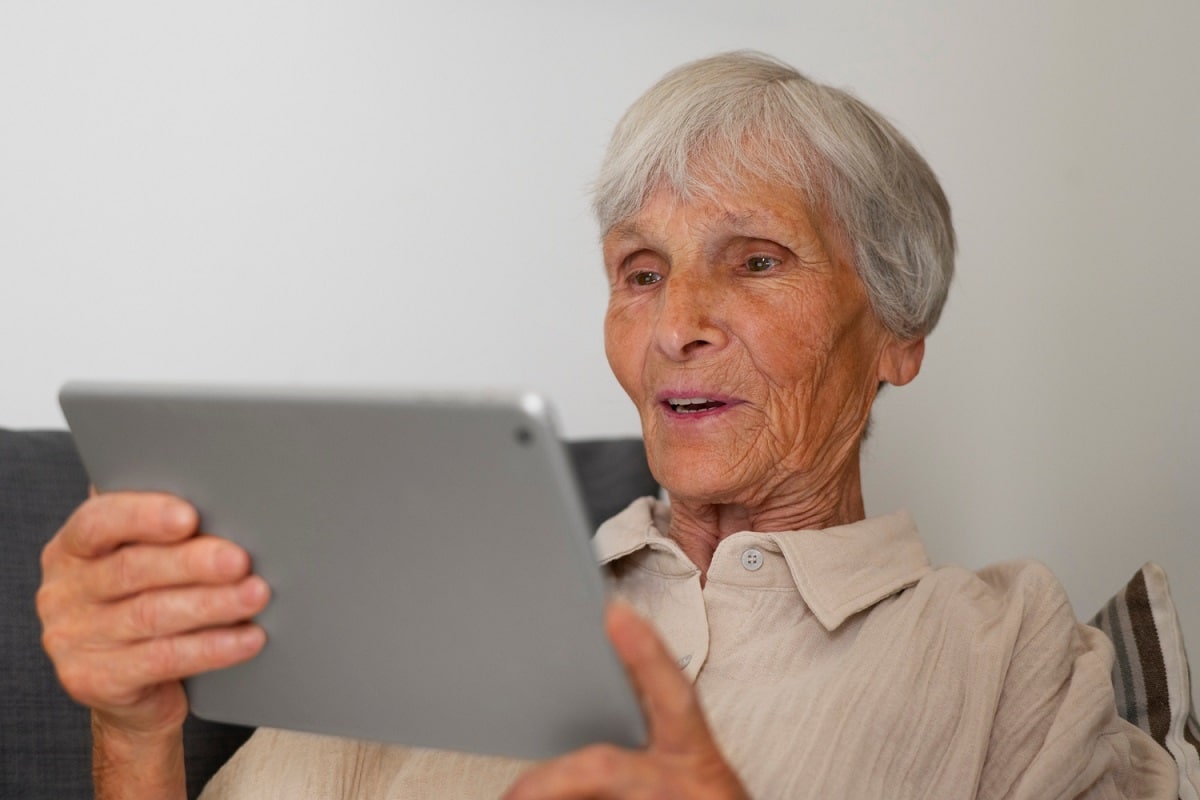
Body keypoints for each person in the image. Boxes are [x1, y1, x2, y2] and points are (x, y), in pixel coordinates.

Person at [37, 51, 1178, 799]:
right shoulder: (433, 603)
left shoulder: (1015, 652)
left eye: (756, 261)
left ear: (898, 332)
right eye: (640, 272)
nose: (676, 322)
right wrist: (133, 735)